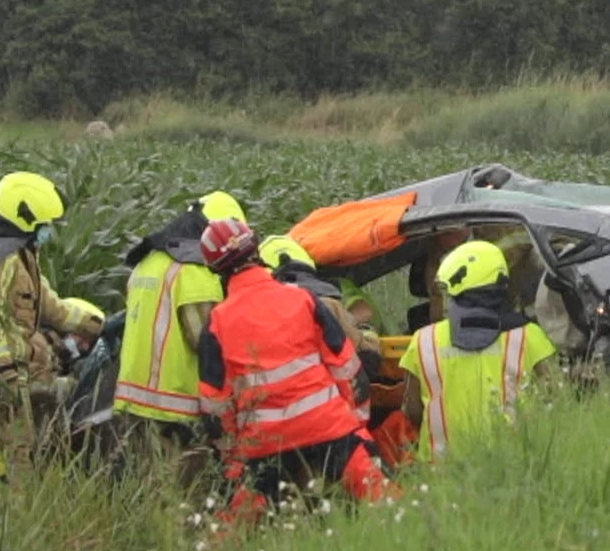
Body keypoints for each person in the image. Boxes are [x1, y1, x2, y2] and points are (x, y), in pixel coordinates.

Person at [196, 219, 390, 513]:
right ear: (255, 251)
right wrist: (355, 425)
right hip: (327, 426)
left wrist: (234, 461)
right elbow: (347, 368)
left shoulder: (217, 323)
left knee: (240, 528)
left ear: (215, 270)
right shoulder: (302, 299)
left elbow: (215, 406)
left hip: (263, 443)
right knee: (385, 501)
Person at [0, 171, 105, 477]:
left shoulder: (22, 256)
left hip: (12, 369)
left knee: (17, 445)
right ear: (25, 219)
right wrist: (6, 371)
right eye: (43, 225)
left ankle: (1, 492)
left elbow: (54, 309)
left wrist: (100, 325)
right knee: (6, 449)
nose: (46, 231)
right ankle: (7, 500)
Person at [112, 191, 246, 482]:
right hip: (174, 403)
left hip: (133, 394)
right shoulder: (195, 271)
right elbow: (206, 341)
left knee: (143, 484)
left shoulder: (147, 261)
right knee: (180, 492)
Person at [399, 240, 558, 458]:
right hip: (514, 470)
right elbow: (556, 402)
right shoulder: (529, 336)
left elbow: (412, 411)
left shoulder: (422, 340)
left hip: (440, 480)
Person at [262, 233, 381, 422]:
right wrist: (367, 332)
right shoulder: (328, 302)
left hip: (275, 424)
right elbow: (368, 359)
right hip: (333, 417)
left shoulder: (258, 315)